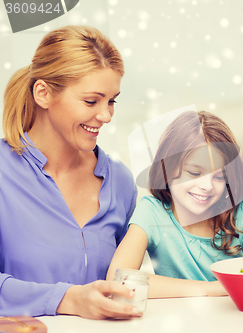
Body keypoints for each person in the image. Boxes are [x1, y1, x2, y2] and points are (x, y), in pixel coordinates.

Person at [0, 26, 139, 319]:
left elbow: (126, 280)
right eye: (91, 101)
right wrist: (67, 299)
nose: (106, 116)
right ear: (43, 93)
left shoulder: (120, 182)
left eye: (112, 100)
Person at [107, 110, 243, 297]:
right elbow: (117, 281)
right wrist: (210, 289)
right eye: (194, 173)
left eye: (219, 177)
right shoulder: (152, 211)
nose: (207, 186)